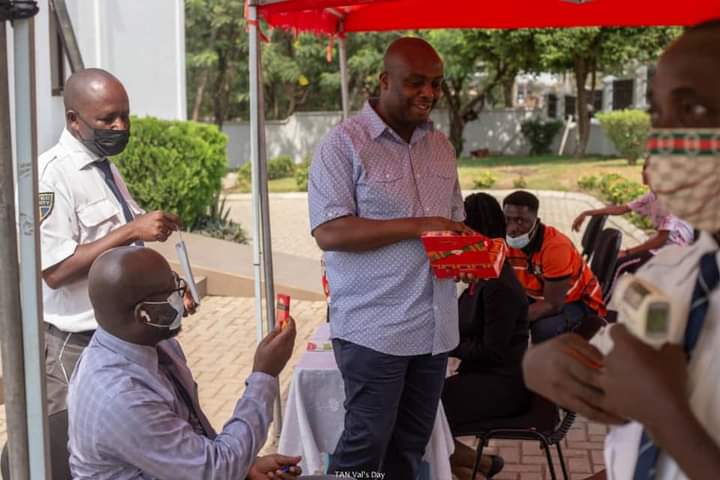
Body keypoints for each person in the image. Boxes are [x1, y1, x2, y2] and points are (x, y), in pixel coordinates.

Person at [522, 19, 720, 480]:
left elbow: (658, 408)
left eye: (691, 109)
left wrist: (666, 416)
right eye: (657, 114)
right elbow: (629, 433)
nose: (662, 139)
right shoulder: (675, 273)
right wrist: (546, 365)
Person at [308, 37, 468, 479]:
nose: (429, 94)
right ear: (384, 80)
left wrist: (471, 250)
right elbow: (329, 230)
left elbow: (452, 220)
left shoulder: (441, 145)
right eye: (417, 82)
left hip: (434, 327)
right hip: (374, 328)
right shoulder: (343, 145)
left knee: (409, 449)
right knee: (365, 446)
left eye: (436, 84)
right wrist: (417, 225)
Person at [67, 246, 302, 479]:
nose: (183, 298)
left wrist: (243, 465)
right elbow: (216, 470)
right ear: (144, 314)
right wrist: (264, 375)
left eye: (177, 283)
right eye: (172, 294)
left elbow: (197, 454)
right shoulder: (121, 396)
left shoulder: (155, 344)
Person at [39, 68, 185, 415]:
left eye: (125, 116)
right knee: (75, 445)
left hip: (122, 339)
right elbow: (56, 271)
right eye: (108, 119)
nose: (121, 126)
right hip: (78, 344)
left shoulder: (104, 167)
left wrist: (165, 292)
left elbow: (123, 257)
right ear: (74, 120)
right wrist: (132, 230)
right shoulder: (51, 177)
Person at [442, 193, 530, 480]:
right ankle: (480, 466)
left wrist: (447, 346)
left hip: (502, 385)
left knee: (420, 413)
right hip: (482, 375)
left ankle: (475, 467)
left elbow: (492, 352)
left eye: (458, 232)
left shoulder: (496, 285)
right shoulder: (478, 275)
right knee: (417, 409)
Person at [571, 159, 694, 301]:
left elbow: (661, 240)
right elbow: (622, 209)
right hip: (662, 249)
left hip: (672, 254)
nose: (642, 171)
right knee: (620, 261)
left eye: (646, 168)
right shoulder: (653, 196)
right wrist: (587, 213)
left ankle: (599, 305)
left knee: (619, 263)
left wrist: (628, 251)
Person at [503, 191, 606, 344]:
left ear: (536, 222)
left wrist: (513, 317)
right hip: (538, 295)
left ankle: (548, 363)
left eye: (520, 221)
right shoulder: (505, 239)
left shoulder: (556, 248)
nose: (511, 228)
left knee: (543, 329)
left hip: (577, 301)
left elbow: (553, 304)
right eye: (508, 219)